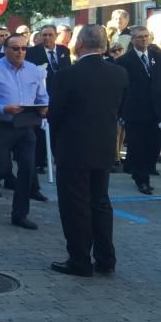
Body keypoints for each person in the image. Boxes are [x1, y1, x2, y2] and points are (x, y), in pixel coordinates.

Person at [48, 25, 128, 277]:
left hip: (73, 148)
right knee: (101, 203)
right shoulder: (119, 73)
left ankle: (80, 260)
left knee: (75, 206)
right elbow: (120, 109)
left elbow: (54, 115)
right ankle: (106, 259)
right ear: (104, 45)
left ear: (80, 43)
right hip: (104, 146)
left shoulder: (66, 75)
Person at [0, 33, 49, 229]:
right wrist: (3, 108)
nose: (20, 52)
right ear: (5, 50)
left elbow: (42, 96)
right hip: (0, 125)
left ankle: (20, 214)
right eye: (15, 48)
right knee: (2, 168)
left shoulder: (33, 70)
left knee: (27, 170)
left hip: (26, 125)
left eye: (24, 48)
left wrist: (43, 107)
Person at [115, 26, 161, 194]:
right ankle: (141, 179)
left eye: (145, 36)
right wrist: (121, 112)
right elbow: (122, 88)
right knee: (138, 145)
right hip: (135, 110)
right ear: (133, 40)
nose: (143, 40)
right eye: (139, 37)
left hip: (155, 110)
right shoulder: (125, 61)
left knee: (154, 145)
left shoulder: (157, 56)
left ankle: (144, 169)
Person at [26, 24, 71, 173]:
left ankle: (58, 158)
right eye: (44, 35)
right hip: (42, 95)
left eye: (50, 35)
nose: (47, 38)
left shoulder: (64, 51)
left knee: (58, 129)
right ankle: (39, 161)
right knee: (40, 130)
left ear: (56, 35)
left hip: (61, 95)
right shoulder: (32, 52)